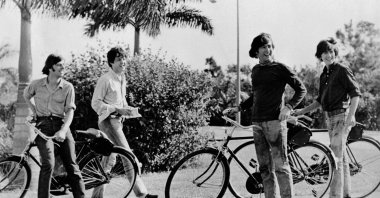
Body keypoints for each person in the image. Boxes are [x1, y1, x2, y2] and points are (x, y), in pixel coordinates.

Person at [226, 33, 306, 198]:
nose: (267, 49)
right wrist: (239, 108)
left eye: (270, 46)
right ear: (256, 51)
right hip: (257, 124)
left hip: (275, 123)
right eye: (264, 47)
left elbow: (301, 89)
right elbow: (256, 96)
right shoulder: (255, 71)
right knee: (264, 169)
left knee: (281, 168)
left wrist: (288, 107)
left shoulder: (280, 68)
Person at [293, 38, 361, 198]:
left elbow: (355, 94)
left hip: (341, 117)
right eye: (324, 52)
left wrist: (351, 117)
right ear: (320, 56)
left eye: (330, 51)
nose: (328, 55)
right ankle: (346, 194)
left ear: (335, 52)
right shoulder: (324, 74)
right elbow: (320, 100)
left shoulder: (342, 70)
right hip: (330, 118)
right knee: (341, 159)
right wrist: (302, 111)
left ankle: (335, 196)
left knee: (334, 158)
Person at [91, 47, 158, 198]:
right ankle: (142, 194)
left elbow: (121, 103)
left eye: (123, 58)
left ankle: (96, 197)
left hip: (117, 122)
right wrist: (117, 109)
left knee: (108, 160)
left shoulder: (121, 79)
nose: (123, 62)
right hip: (108, 122)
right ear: (111, 62)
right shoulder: (105, 79)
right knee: (127, 155)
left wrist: (128, 110)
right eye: (119, 59)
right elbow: (95, 104)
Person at [23, 54, 85, 198]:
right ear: (51, 67)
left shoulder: (68, 87)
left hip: (61, 125)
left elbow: (70, 111)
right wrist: (35, 112)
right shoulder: (37, 84)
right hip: (43, 126)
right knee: (48, 164)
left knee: (72, 165)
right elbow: (26, 95)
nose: (63, 67)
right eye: (59, 65)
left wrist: (63, 131)